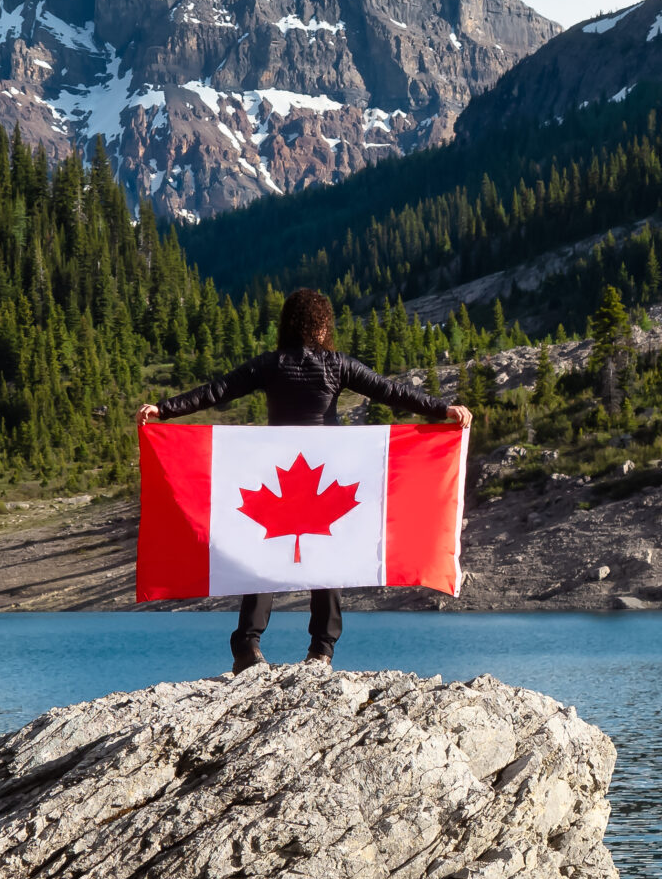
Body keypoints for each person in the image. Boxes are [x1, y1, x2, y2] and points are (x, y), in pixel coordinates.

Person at [139, 287, 472, 673]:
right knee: (326, 557)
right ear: (323, 325)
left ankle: (247, 645)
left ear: (288, 325)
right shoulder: (337, 364)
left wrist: (165, 409)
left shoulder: (270, 364)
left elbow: (217, 391)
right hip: (323, 472)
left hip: (276, 473)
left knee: (262, 554)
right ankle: (322, 650)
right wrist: (441, 409)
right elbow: (391, 391)